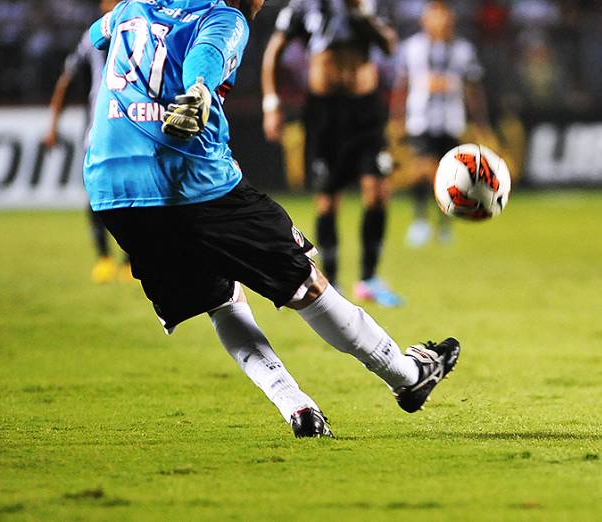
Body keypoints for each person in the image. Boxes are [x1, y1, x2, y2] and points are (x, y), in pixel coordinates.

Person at [84, 0, 460, 437]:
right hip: (192, 184)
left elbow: (98, 34)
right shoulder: (225, 17)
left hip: (112, 192)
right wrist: (199, 91)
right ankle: (408, 377)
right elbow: (207, 55)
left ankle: (296, 406)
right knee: (307, 285)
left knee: (221, 300)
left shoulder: (131, 8)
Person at [261, 0, 403, 307]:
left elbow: (390, 46)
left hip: (365, 110)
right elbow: (274, 50)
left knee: (377, 190)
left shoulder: (369, 3)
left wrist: (361, 13)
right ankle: (333, 282)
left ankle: (369, 278)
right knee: (328, 198)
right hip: (326, 113)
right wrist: (271, 104)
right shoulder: (304, 4)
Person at [393, 0, 489, 247]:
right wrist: (396, 118)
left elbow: (473, 88)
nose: (439, 21)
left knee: (450, 175)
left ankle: (445, 225)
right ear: (424, 19)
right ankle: (420, 221)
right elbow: (401, 85)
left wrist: (481, 123)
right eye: (434, 15)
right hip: (420, 118)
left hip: (451, 120)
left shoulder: (463, 50)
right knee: (421, 169)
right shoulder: (411, 48)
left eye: (443, 15)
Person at [44, 0, 126, 284]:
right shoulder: (91, 37)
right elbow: (66, 80)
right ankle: (104, 257)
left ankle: (131, 260)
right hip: (99, 125)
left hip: (135, 124)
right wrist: (53, 125)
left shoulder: (144, 28)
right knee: (98, 193)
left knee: (134, 189)